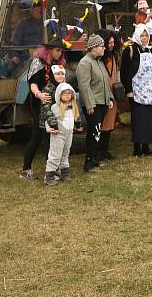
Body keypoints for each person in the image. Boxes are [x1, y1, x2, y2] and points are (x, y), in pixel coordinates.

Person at [21, 38, 66, 179]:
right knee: (37, 136)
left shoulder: (57, 65)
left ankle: (51, 168)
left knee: (51, 135)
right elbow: (32, 83)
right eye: (57, 50)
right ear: (50, 49)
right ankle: (26, 169)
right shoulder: (37, 63)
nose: (59, 53)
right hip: (38, 103)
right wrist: (39, 94)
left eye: (61, 51)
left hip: (53, 104)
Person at [121, 23, 152, 157]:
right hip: (137, 91)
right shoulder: (129, 50)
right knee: (138, 119)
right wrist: (128, 90)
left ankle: (146, 147)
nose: (144, 38)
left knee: (149, 119)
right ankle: (137, 148)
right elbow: (124, 72)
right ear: (137, 36)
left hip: (151, 90)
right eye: (142, 35)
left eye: (146, 35)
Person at [77, 34, 116, 173]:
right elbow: (84, 86)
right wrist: (89, 104)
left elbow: (106, 82)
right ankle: (88, 163)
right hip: (94, 104)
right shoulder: (85, 63)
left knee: (97, 132)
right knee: (93, 132)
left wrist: (110, 98)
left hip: (102, 102)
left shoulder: (99, 61)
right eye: (101, 46)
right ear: (93, 47)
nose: (104, 48)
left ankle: (94, 159)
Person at [44, 82, 81, 185]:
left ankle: (64, 172)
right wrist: (49, 129)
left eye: (69, 93)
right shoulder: (55, 107)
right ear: (59, 95)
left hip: (69, 134)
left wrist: (77, 126)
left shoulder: (73, 106)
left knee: (65, 153)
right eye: (64, 93)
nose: (67, 95)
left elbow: (76, 118)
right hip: (58, 134)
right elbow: (48, 120)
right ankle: (49, 175)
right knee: (55, 154)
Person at [99, 29, 122, 161]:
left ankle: (105, 150)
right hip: (103, 95)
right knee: (103, 124)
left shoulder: (113, 57)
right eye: (110, 43)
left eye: (113, 42)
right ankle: (100, 151)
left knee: (109, 124)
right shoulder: (101, 59)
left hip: (113, 94)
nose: (112, 45)